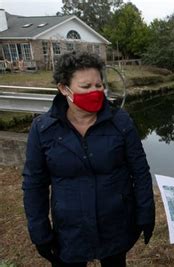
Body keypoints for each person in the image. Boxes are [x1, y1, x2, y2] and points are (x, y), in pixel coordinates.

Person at [22, 52, 156, 267]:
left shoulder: (121, 121)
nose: (95, 91)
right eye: (86, 87)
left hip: (115, 222)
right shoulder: (43, 129)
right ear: (64, 89)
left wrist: (146, 213)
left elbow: (140, 171)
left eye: (99, 85)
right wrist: (39, 231)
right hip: (70, 229)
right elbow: (33, 184)